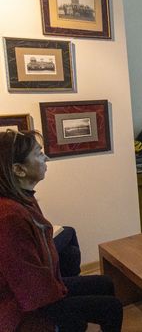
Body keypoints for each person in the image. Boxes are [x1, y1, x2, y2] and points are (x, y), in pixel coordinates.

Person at [0, 130, 122, 331]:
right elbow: (31, 290)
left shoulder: (23, 199)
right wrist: (62, 294)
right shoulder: (9, 216)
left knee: (105, 283)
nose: (46, 157)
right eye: (39, 154)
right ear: (19, 170)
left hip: (43, 291)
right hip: (26, 310)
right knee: (112, 308)